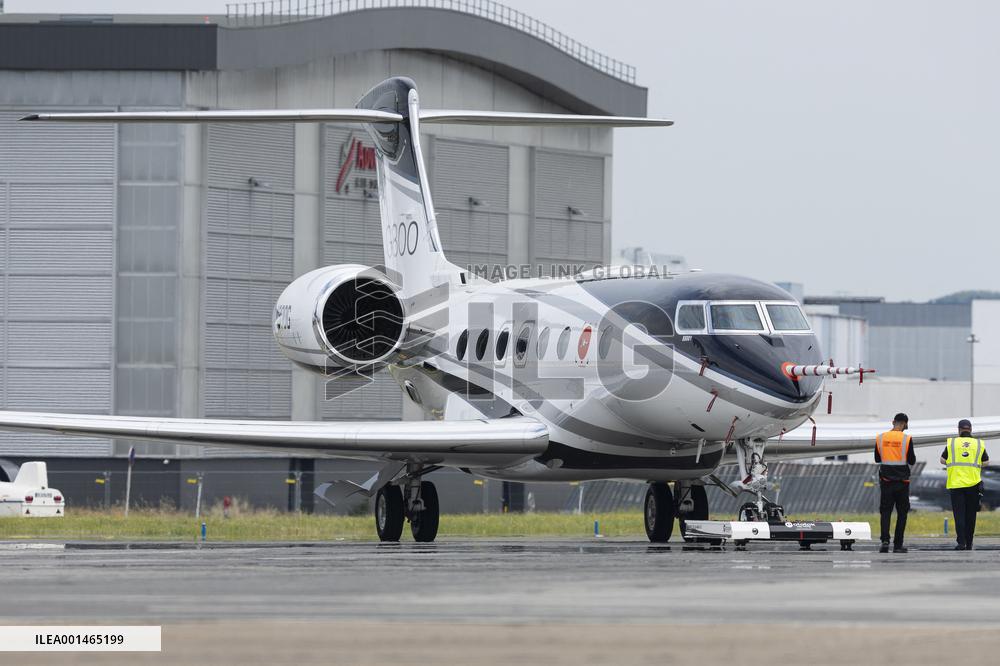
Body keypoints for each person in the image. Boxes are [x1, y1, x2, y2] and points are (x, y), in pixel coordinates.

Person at [940, 419, 990, 550]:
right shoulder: (978, 444)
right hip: (973, 484)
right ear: (971, 430)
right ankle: (969, 543)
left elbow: (942, 460)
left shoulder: (952, 443)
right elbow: (986, 462)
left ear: (959, 430)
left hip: (956, 484)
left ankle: (961, 542)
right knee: (971, 515)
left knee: (959, 514)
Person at [874, 413, 916, 553]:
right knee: (902, 513)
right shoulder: (907, 439)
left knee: (885, 512)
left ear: (893, 422)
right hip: (902, 482)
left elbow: (877, 458)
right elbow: (911, 461)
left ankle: (885, 541)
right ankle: (898, 545)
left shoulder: (880, 438)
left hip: (886, 481)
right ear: (905, 424)